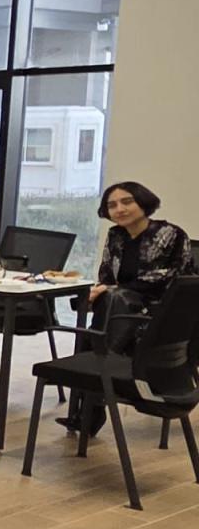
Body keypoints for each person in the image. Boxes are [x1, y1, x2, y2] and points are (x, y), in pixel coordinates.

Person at [64, 181, 194, 434]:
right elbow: (107, 275)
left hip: (161, 314)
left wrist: (112, 290)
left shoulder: (171, 234)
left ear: (143, 202)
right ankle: (97, 391)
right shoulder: (116, 235)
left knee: (104, 317)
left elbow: (169, 277)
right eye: (112, 205)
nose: (119, 209)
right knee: (108, 305)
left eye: (126, 202)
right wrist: (102, 289)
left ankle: (95, 392)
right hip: (120, 311)